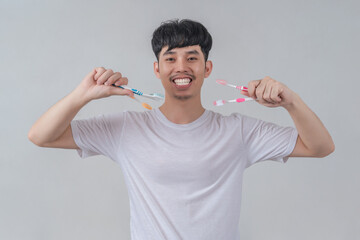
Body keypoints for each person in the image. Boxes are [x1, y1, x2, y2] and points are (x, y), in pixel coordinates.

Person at [28, 19, 334, 240]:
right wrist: (82, 95)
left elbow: (320, 147)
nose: (181, 67)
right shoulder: (126, 128)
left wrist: (291, 102)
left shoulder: (238, 130)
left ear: (207, 68)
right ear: (157, 69)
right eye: (170, 58)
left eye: (192, 57)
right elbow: (41, 136)